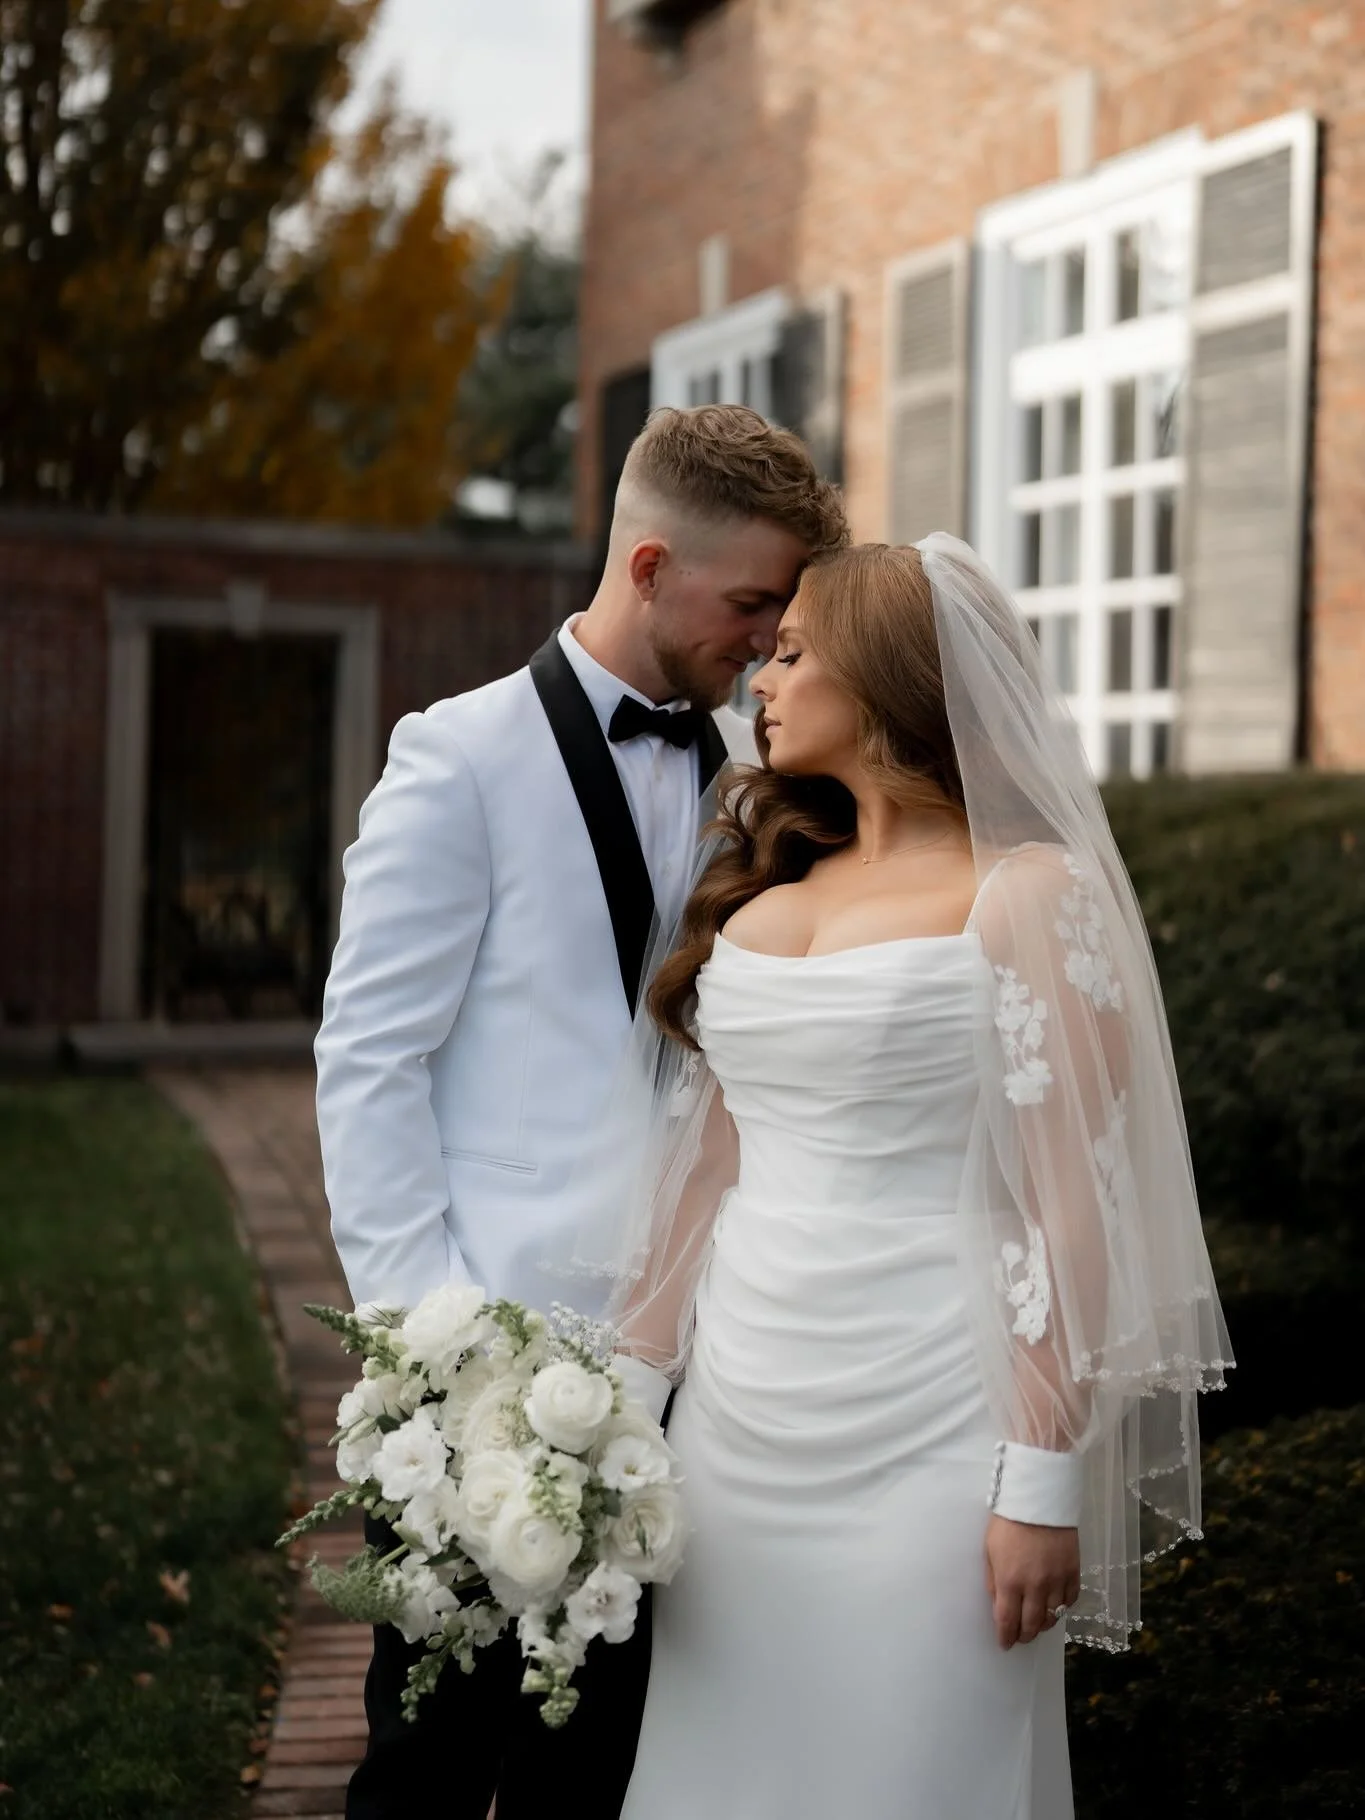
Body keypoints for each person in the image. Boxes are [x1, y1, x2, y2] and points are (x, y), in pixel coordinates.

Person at [580, 538, 1231, 1819]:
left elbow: (1075, 1201)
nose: (763, 673)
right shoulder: (770, 887)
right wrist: (613, 1419)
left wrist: (1041, 1475)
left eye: (797, 649)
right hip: (737, 1432)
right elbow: (700, 1181)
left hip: (939, 1425)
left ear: (882, 677)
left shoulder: (1030, 894)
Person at [312, 403, 846, 1820]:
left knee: (604, 1769)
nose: (765, 638)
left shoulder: (769, 778)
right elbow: (368, 1061)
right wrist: (434, 1355)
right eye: (751, 605)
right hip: (490, 1357)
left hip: (705, 1372)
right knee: (428, 1763)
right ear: (653, 562)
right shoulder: (459, 756)